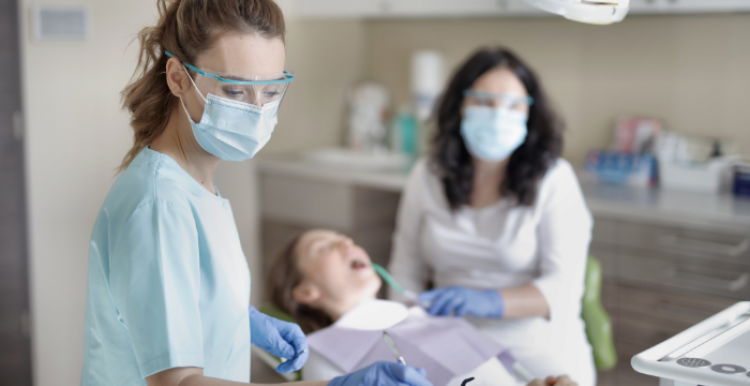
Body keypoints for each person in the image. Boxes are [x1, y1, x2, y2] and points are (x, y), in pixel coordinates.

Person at [80, 1, 431, 386]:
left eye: (270, 90)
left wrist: (238, 317)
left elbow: (175, 293)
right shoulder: (160, 204)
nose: (256, 110)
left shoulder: (197, 184)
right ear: (178, 78)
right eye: (234, 90)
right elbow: (179, 384)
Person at [388, 47, 595, 386]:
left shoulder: (555, 179)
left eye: (514, 105)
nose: (499, 115)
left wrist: (487, 301)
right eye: (484, 102)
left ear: (530, 113)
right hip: (448, 338)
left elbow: (562, 289)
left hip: (536, 341)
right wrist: (406, 328)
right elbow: (405, 269)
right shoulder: (428, 175)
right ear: (460, 106)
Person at [267, 229, 579, 386]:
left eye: (345, 238)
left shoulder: (431, 317)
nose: (345, 243)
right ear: (307, 291)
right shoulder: (320, 350)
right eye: (323, 248)